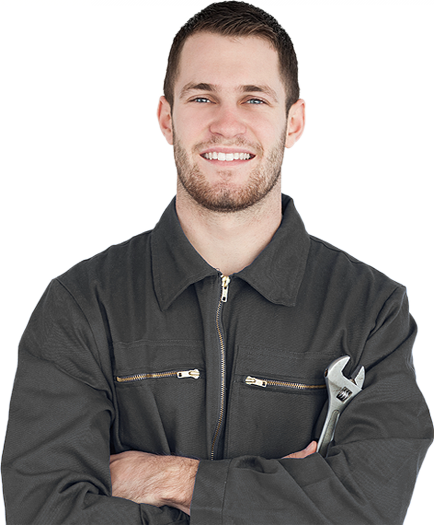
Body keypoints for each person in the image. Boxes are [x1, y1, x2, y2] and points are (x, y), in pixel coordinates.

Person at [1, 2, 432, 524]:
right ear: (167, 118)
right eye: (202, 97)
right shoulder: (81, 305)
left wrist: (170, 479)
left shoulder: (372, 311)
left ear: (293, 122)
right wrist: (284, 501)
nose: (227, 125)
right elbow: (45, 510)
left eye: (254, 99)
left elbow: (369, 506)